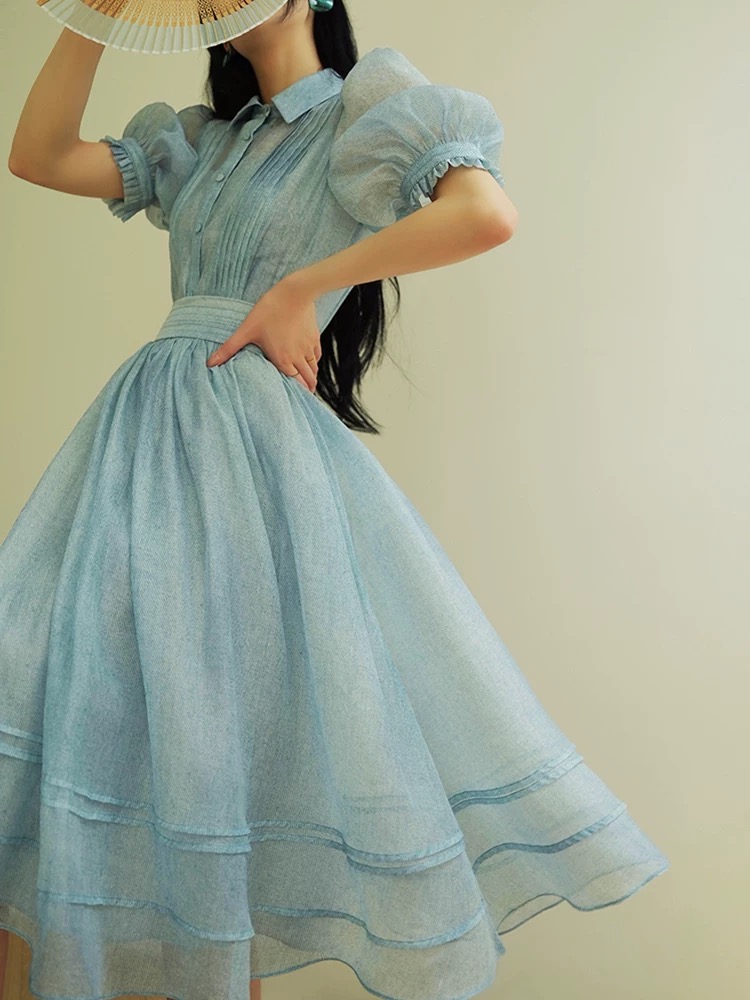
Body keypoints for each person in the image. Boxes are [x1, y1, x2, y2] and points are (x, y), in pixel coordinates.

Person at [1, 3, 668, 1000]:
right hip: (139, 441)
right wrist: (95, 15)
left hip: (250, 460)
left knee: (212, 737)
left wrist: (304, 288)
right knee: (60, 691)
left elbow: (484, 212)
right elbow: (39, 155)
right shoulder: (200, 142)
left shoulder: (366, 110)